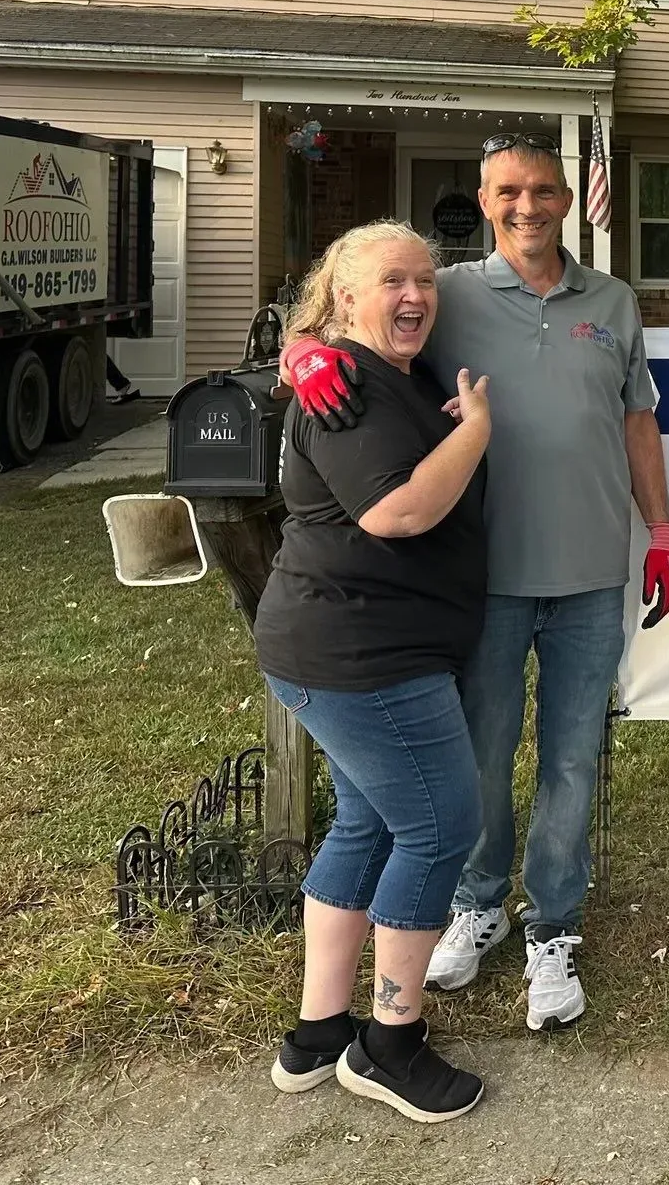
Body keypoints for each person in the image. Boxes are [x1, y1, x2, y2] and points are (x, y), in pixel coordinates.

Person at [281, 135, 669, 1034]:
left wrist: (659, 528)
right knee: (482, 756)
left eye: (543, 190)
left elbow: (638, 419)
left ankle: (554, 926)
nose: (527, 205)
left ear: (570, 199)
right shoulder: (446, 291)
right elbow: (340, 320)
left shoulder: (612, 301)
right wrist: (302, 358)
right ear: (484, 198)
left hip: (585, 578)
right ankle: (478, 901)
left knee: (574, 759)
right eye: (509, 191)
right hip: (481, 583)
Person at [257, 220, 493, 1123]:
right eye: (392, 280)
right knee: (439, 826)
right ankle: (390, 1045)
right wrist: (475, 431)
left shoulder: (378, 373)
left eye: (426, 280)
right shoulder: (344, 383)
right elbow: (394, 513)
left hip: (349, 646)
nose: (415, 296)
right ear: (343, 296)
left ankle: (317, 1033)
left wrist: (305, 350)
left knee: (365, 821)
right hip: (362, 654)